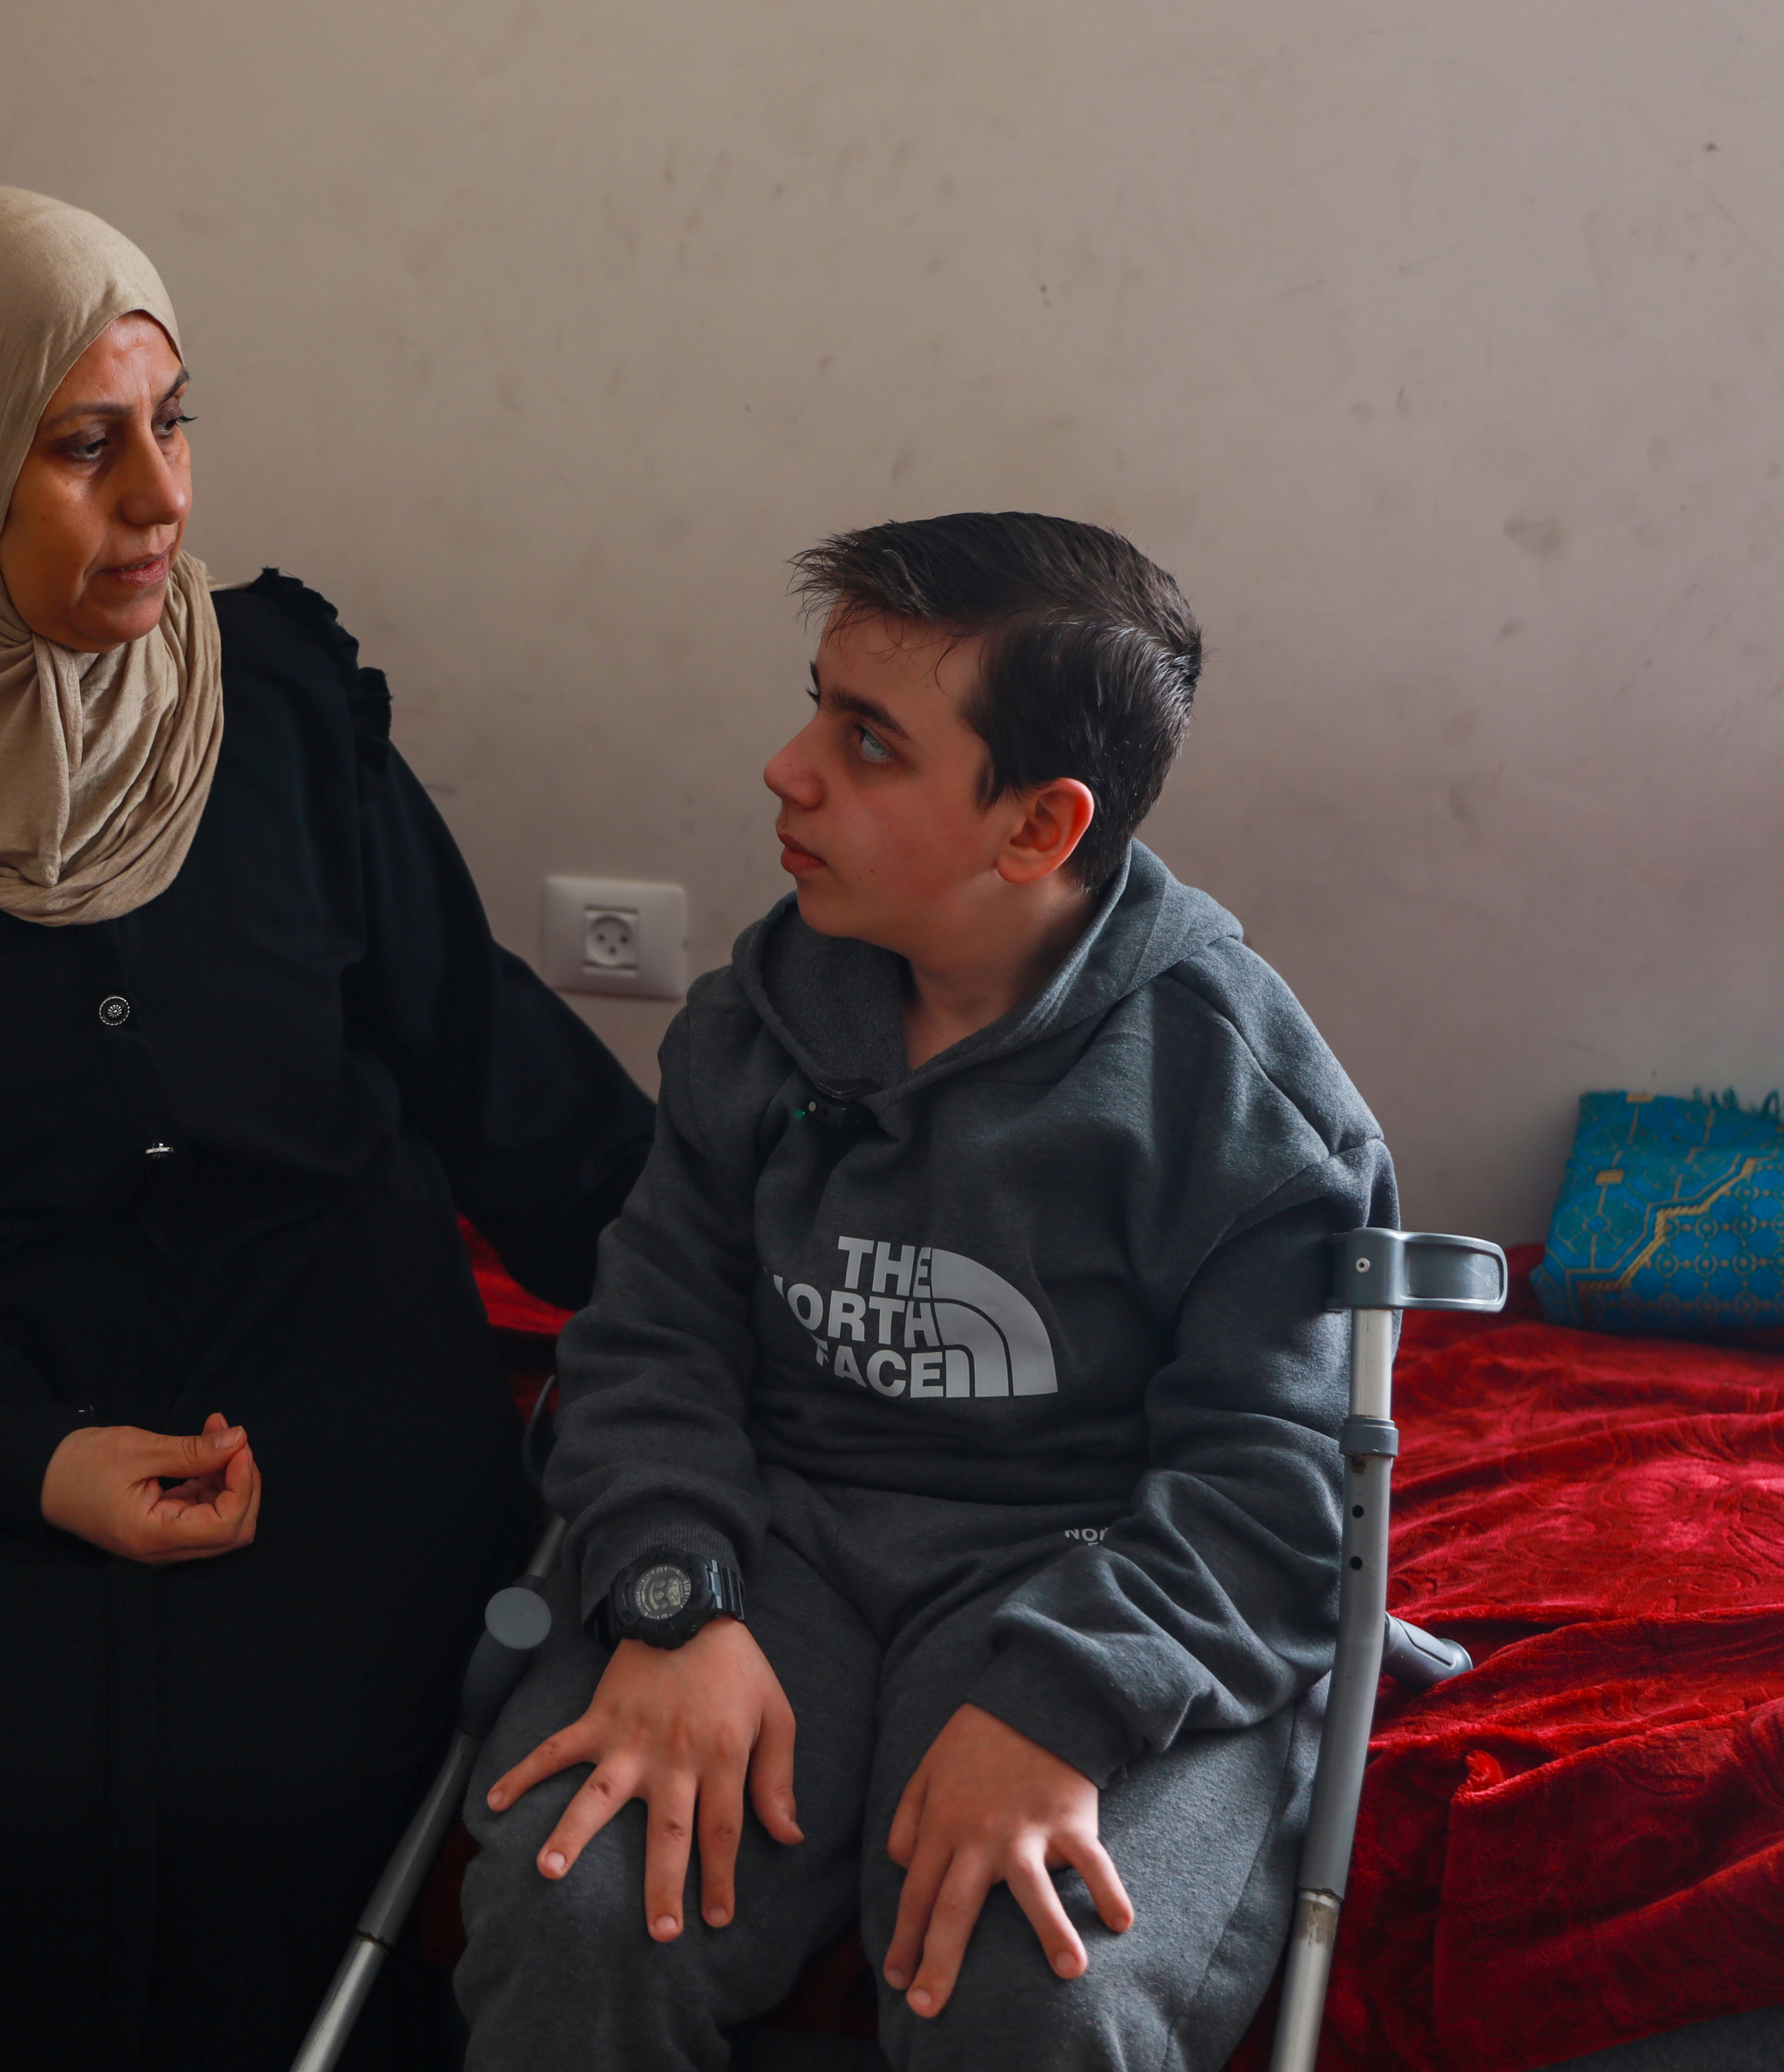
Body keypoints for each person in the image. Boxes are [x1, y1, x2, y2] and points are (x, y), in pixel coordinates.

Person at [0, 187, 653, 2072]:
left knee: (321, 1768)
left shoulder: (279, 706)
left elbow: (489, 1064)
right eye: (83, 445)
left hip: (324, 1362)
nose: (160, 497)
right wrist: (29, 1455)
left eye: (173, 424)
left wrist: (748, 1301)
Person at [453, 514, 1396, 2070]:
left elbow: (1275, 1477)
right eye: (817, 702)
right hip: (780, 1547)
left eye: (868, 741)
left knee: (1037, 1995)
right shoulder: (754, 1028)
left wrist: (1062, 1711)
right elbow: (649, 1344)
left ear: (1036, 829)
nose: (788, 767)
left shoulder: (1240, 1104)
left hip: (1093, 1566)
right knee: (581, 1919)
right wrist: (676, 1597)